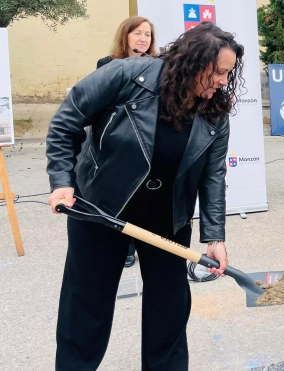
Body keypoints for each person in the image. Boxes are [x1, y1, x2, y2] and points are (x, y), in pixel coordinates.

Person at [46, 22, 243, 370]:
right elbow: (67, 120)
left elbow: (213, 175)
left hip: (167, 220)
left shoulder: (215, 110)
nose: (223, 81)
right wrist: (62, 179)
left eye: (228, 73)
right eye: (218, 72)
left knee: (169, 311)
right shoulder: (125, 75)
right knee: (87, 308)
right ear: (193, 63)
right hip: (101, 210)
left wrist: (214, 236)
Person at [97, 16, 158, 267]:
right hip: (117, 138)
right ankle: (122, 246)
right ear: (125, 36)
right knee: (119, 192)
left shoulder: (158, 65)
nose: (143, 39)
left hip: (146, 139)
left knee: (141, 196)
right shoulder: (107, 64)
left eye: (148, 35)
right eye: (137, 34)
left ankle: (137, 244)